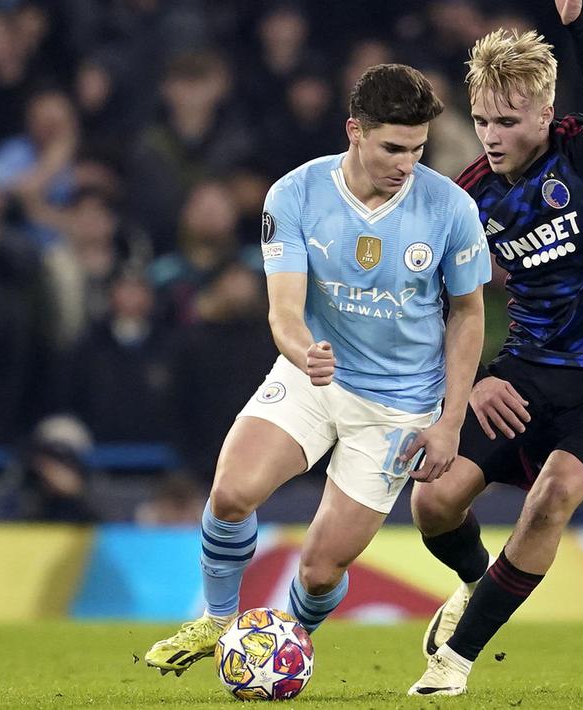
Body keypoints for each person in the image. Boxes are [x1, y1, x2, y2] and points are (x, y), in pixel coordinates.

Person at [143, 63, 491, 676]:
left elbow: (467, 317)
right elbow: (282, 309)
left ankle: (286, 647)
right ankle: (218, 621)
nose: (406, 164)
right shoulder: (295, 194)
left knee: (321, 567)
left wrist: (450, 421)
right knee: (230, 493)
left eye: (417, 149)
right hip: (314, 373)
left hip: (398, 409)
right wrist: (304, 351)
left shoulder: (451, 209)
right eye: (392, 147)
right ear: (354, 130)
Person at [408, 0, 583, 696]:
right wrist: (470, 386)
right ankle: (471, 584)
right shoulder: (470, 199)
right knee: (432, 501)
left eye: (508, 121)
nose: (490, 136)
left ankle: (454, 661)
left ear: (546, 113)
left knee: (553, 493)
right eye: (483, 119)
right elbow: (433, 304)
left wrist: (577, 22)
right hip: (526, 368)